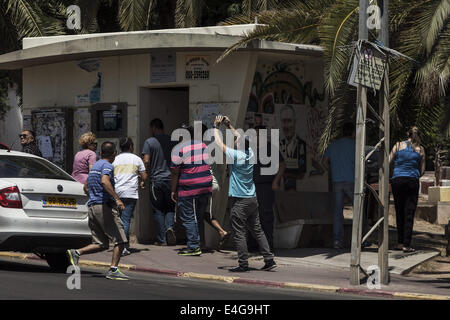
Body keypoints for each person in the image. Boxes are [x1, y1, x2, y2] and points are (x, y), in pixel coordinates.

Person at [213, 115, 276, 272]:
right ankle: (269, 259)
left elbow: (219, 144)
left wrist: (215, 127)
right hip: (252, 199)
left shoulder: (237, 155)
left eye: (235, 142)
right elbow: (241, 138)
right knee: (258, 230)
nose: (234, 142)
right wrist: (229, 125)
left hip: (240, 201)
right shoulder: (251, 153)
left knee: (239, 233)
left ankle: (243, 264)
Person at [67, 141, 130, 280]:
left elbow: (86, 186)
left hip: (92, 207)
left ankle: (76, 252)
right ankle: (113, 270)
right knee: (119, 240)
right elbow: (105, 181)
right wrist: (117, 199)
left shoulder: (95, 166)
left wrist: (94, 197)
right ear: (114, 154)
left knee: (100, 243)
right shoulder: (107, 166)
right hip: (104, 207)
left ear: (101, 153)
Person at [171, 124, 212, 256]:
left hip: (189, 188)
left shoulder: (179, 149)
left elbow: (175, 172)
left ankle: (194, 246)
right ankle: (199, 243)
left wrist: (173, 190)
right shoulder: (203, 145)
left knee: (189, 217)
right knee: (198, 217)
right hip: (205, 186)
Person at [248, 125, 285, 252]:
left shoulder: (271, 148)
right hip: (251, 187)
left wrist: (276, 181)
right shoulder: (250, 148)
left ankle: (268, 246)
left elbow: (282, 165)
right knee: (251, 216)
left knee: (265, 216)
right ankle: (252, 245)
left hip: (266, 187)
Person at [389, 126, 425, 253]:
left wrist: (394, 173)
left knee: (399, 211)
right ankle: (406, 244)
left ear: (407, 134)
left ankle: (399, 242)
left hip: (397, 180)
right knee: (409, 213)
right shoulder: (420, 149)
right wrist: (413, 174)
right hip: (411, 181)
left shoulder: (398, 145)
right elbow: (422, 170)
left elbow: (389, 161)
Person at [142, 118, 176, 246]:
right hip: (171, 180)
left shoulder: (150, 142)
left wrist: (145, 175)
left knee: (157, 209)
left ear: (154, 128)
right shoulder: (172, 141)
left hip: (156, 180)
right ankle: (169, 228)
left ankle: (161, 239)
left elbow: (146, 160)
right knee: (170, 207)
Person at [322, 122, 356, 249]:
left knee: (337, 212)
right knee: (358, 210)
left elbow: (324, 161)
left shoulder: (333, 145)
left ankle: (337, 241)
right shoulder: (355, 145)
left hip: (336, 181)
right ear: (353, 133)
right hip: (352, 181)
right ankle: (360, 239)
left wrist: (332, 170)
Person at [113, 137, 147, 256]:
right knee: (126, 220)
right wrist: (142, 182)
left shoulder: (115, 159)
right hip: (130, 193)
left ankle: (119, 244)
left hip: (117, 193)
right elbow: (144, 176)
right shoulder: (136, 159)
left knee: (118, 219)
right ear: (131, 146)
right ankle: (123, 246)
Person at [200, 124, 230, 249]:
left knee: (201, 213)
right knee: (203, 213)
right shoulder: (213, 146)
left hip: (209, 184)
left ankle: (220, 232)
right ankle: (219, 233)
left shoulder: (202, 147)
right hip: (215, 183)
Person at [279, 105, 307, 190]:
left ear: (295, 122)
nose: (286, 126)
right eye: (284, 121)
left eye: (289, 121)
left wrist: (286, 175)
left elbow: (302, 173)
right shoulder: (278, 145)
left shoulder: (301, 144)